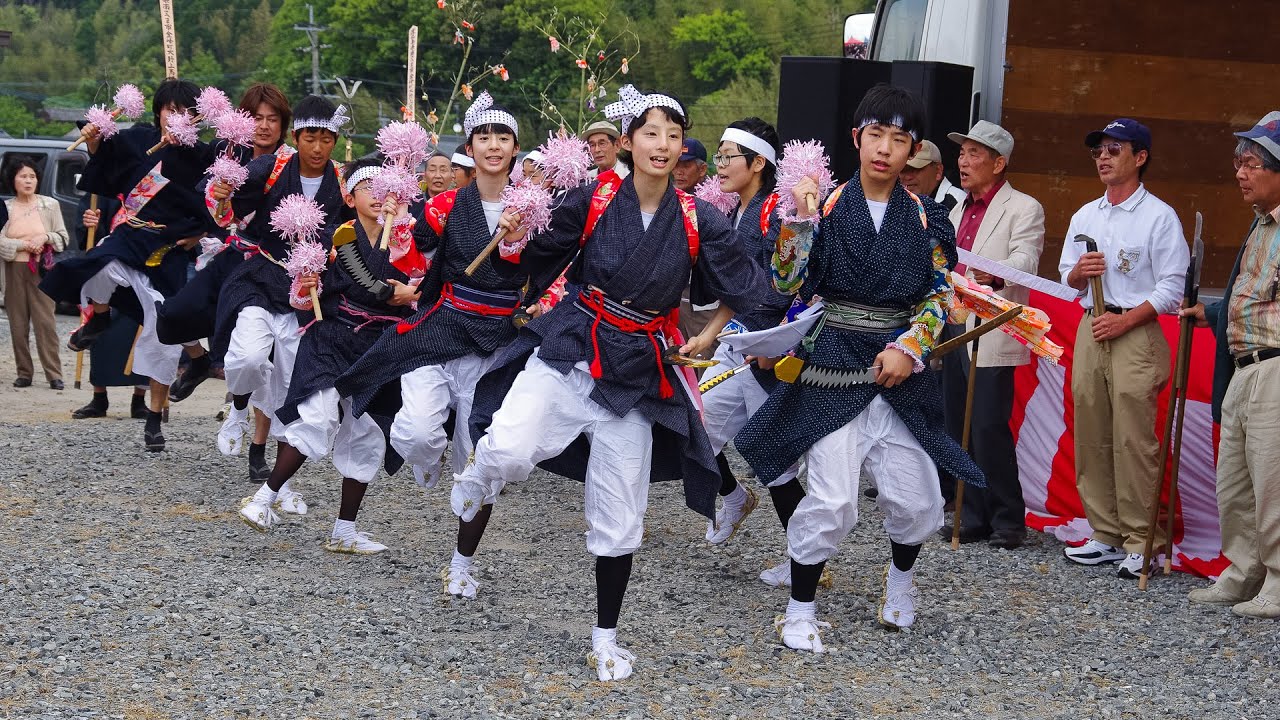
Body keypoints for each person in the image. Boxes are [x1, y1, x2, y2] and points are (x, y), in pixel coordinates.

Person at [444, 85, 766, 682]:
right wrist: (514, 233)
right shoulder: (592, 198)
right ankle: (477, 475)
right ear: (627, 142)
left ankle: (606, 638)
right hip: (574, 345)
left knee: (621, 514)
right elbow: (535, 256)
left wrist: (710, 333)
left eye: (674, 135)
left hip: (639, 370)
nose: (663, 145)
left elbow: (746, 282)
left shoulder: (698, 217)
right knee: (508, 449)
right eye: (651, 133)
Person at [736, 84, 982, 650]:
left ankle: (901, 582)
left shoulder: (926, 217)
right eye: (876, 135)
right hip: (832, 366)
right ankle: (799, 609)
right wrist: (800, 221)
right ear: (857, 138)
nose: (885, 149)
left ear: (913, 149)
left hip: (897, 369)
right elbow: (787, 282)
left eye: (899, 139)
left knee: (918, 500)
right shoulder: (822, 206)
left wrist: (911, 346)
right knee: (833, 499)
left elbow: (939, 294)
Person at [335, 92, 527, 499]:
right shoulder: (445, 204)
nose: (494, 146)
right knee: (416, 433)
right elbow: (415, 255)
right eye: (484, 138)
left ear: (516, 148)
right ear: (470, 149)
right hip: (444, 321)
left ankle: (467, 526)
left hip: (498, 333)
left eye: (503, 138)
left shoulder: (531, 207)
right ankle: (426, 457)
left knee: (477, 450)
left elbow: (552, 265)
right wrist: (397, 219)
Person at [239, 158, 424, 549]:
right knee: (317, 417)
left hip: (378, 346)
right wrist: (306, 285)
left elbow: (422, 284)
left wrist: (412, 292)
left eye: (383, 188)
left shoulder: (405, 237)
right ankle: (262, 499)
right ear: (350, 198)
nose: (377, 196)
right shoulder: (336, 237)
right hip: (332, 337)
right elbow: (304, 300)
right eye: (367, 188)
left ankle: (344, 531)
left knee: (366, 433)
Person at [39, 77, 218, 451]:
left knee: (162, 325)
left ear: (197, 117)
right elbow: (105, 165)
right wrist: (93, 139)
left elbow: (218, 202)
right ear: (158, 112)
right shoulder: (138, 140)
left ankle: (156, 414)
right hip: (130, 235)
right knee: (94, 266)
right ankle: (99, 316)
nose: (176, 118)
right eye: (170, 110)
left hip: (167, 246)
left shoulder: (203, 157)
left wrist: (200, 232)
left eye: (185, 112)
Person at [1058, 118, 1187, 579]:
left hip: (1134, 329)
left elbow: (1173, 286)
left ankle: (1142, 540)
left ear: (1140, 157)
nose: (1103, 158)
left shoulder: (1159, 216)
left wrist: (1127, 320)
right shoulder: (1085, 215)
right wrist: (1078, 273)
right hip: (1092, 324)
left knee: (1134, 438)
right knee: (1091, 430)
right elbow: (1065, 277)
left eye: (1115, 149)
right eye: (1099, 151)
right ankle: (1106, 532)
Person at [211, 94, 346, 498]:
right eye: (310, 138)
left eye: (326, 139)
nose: (318, 148)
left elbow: (354, 229)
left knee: (290, 385)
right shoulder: (271, 166)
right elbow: (229, 212)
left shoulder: (342, 181)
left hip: (308, 291)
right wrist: (222, 192)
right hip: (261, 277)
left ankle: (280, 484)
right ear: (296, 137)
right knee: (247, 357)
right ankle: (238, 409)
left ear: (335, 141)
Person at [1183, 111, 1280, 619]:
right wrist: (1214, 312)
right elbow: (1256, 296)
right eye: (1239, 163)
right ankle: (1244, 573)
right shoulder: (1261, 224)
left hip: (1276, 368)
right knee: (1236, 482)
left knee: (1273, 484)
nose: (1240, 173)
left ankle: (1279, 583)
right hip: (1244, 364)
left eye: (1251, 164)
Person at [696, 118, 800, 564]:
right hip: (736, 341)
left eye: (727, 156)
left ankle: (805, 561)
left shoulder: (778, 210)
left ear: (758, 163)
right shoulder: (734, 210)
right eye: (717, 156)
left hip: (768, 349)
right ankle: (735, 497)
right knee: (697, 431)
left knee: (774, 461)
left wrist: (778, 343)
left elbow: (792, 283)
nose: (719, 165)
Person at [162, 83, 293, 434]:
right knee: (174, 314)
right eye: (256, 118)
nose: (263, 126)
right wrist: (178, 138)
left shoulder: (291, 162)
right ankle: (199, 361)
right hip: (231, 252)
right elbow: (194, 174)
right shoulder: (228, 149)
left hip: (271, 265)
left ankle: (257, 441)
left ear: (283, 124)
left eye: (272, 119)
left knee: (262, 355)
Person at [940, 121, 1044, 549]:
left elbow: (1027, 259)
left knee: (986, 426)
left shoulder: (1023, 207)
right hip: (953, 325)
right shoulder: (955, 209)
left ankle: (1008, 519)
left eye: (974, 154)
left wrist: (992, 274)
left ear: (998, 164)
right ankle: (970, 514)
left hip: (992, 327)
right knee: (956, 425)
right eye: (962, 153)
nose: (963, 162)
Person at [70, 197, 148, 420]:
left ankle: (140, 399)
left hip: (142, 260)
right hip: (108, 262)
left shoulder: (156, 185)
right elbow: (90, 219)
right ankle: (99, 397)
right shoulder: (105, 191)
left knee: (141, 331)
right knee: (101, 328)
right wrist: (90, 223)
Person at [1, 159, 66, 389]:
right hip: (14, 270)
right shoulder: (5, 207)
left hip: (42, 270)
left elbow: (62, 237)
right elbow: (1, 241)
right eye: (22, 176)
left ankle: (54, 374)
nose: (28, 181)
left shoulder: (50, 205)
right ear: (13, 180)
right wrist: (23, 245)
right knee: (18, 324)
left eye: (32, 176)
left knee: (46, 323)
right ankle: (24, 373)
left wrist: (44, 237)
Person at [900, 140, 964, 210]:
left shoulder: (959, 202)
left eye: (915, 169)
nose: (908, 177)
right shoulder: (899, 200)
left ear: (938, 171)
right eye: (903, 170)